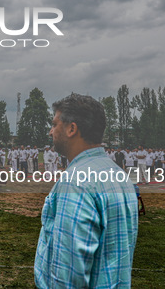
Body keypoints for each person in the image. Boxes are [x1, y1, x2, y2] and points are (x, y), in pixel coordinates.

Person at [35, 93, 138, 288]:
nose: (51, 132)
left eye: (55, 124)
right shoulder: (118, 174)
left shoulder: (75, 182)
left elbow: (68, 276)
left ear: (71, 128)